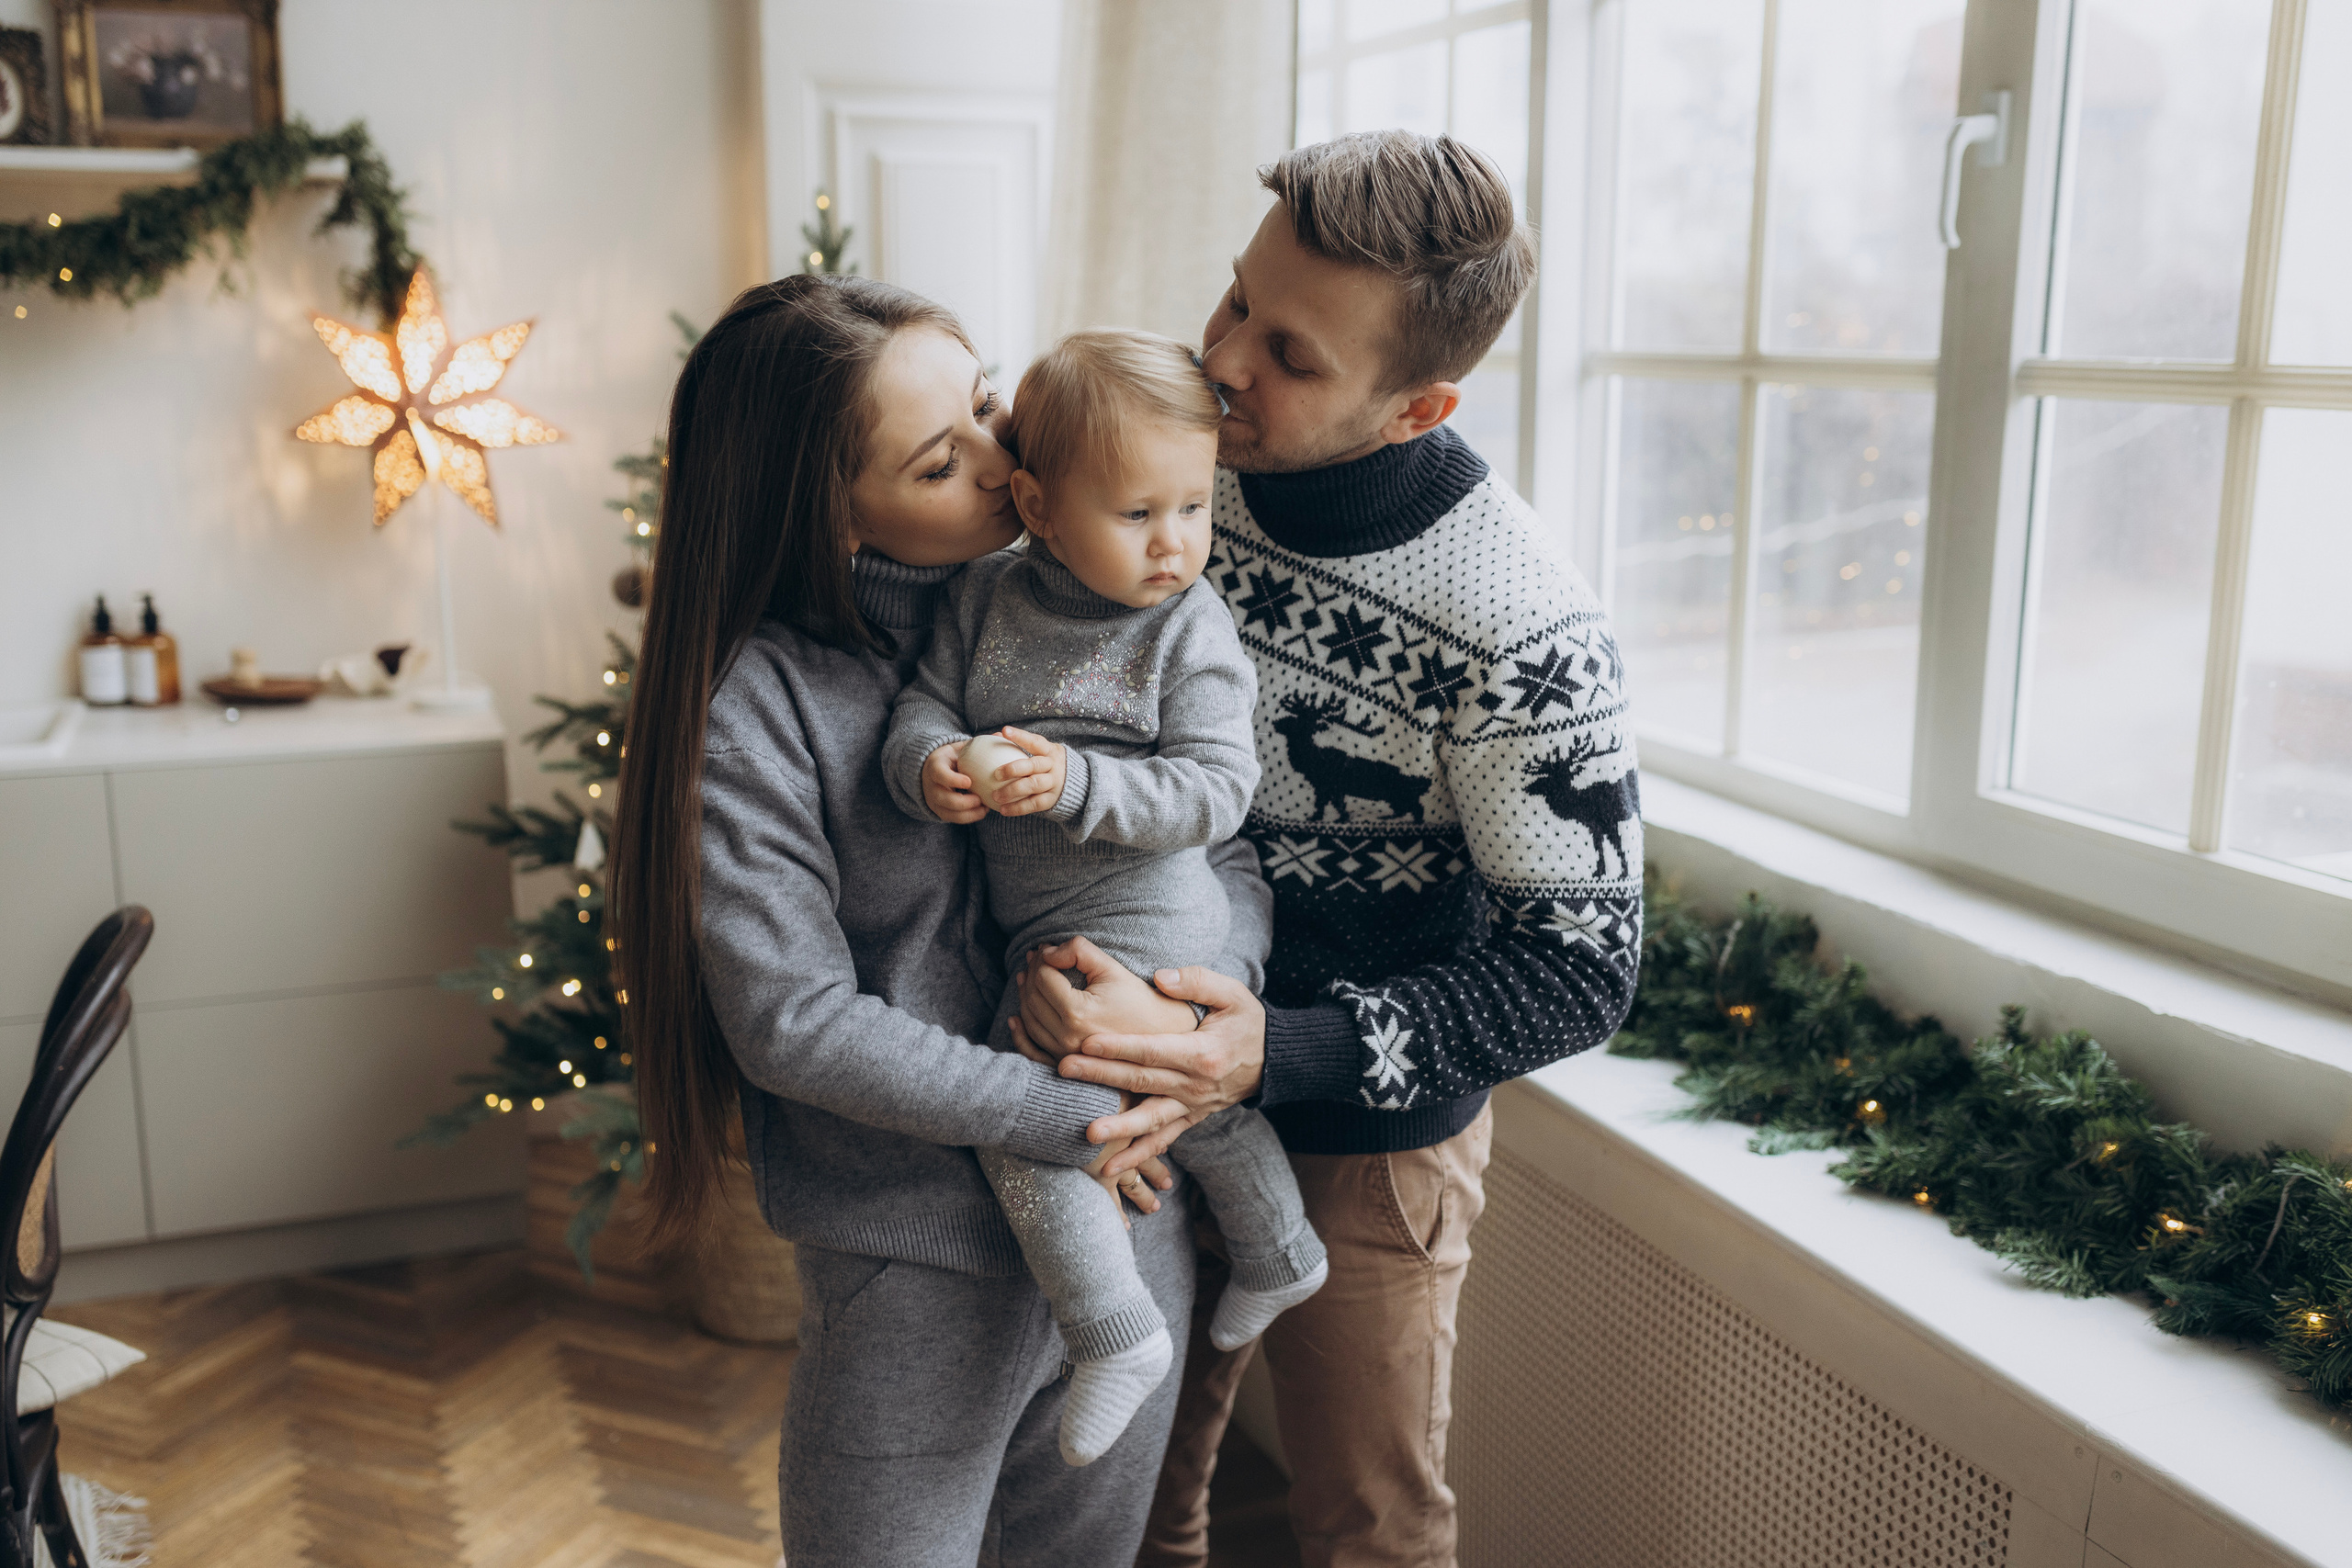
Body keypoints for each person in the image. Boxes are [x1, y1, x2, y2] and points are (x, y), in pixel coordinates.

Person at [1014, 131, 1644, 1566]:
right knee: (1122, 1492)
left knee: (1368, 1519)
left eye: (1288, 351)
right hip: (1135, 1083)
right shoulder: (1175, 473)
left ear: (1420, 403)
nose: (1224, 359)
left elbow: (1582, 969)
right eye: (1233, 300)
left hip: (1369, 1144)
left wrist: (1272, 1052)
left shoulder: (1524, 622)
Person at [606, 275, 1270, 1567]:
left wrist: (1189, 1017)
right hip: (915, 1266)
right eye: (938, 457)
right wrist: (1079, 1111)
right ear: (830, 511)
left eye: (983, 403)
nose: (1002, 455)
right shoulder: (760, 703)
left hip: (1135, 1227)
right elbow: (794, 1021)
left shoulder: (1095, 595)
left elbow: (1219, 839)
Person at [882, 329, 1329, 1468]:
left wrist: (1078, 783)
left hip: (1153, 918)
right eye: (1137, 515)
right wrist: (928, 769)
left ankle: (1112, 1329)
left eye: (1194, 506)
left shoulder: (1188, 627)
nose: (1176, 544)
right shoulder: (984, 600)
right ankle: (1280, 1254)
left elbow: (1220, 789)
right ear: (1035, 502)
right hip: (1047, 923)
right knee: (1183, 1104)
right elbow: (926, 711)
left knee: (1041, 1120)